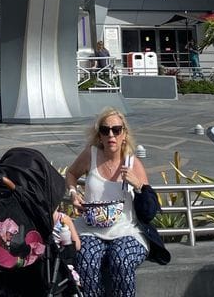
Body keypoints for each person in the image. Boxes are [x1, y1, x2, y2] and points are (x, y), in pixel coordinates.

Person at [65, 108, 157, 297]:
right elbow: (71, 173)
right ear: (99, 135)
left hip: (126, 230)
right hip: (90, 228)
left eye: (116, 129)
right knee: (86, 259)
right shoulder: (90, 155)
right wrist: (74, 193)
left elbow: (150, 211)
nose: (111, 135)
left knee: (121, 259)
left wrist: (138, 185)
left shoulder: (133, 164)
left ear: (124, 134)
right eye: (105, 130)